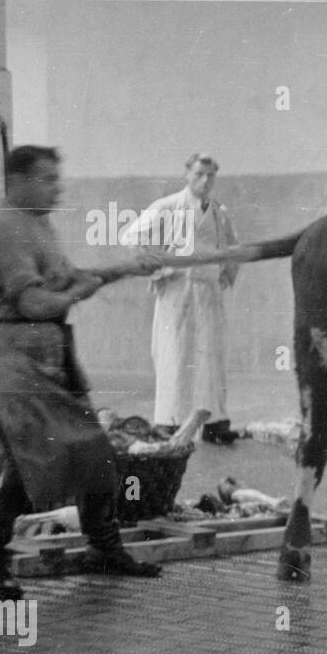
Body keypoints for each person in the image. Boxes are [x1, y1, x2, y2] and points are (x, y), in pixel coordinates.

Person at [0, 146, 165, 597]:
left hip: (43, 355)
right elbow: (35, 302)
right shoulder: (4, 229)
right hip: (4, 356)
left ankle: (103, 546)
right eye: (46, 179)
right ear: (17, 181)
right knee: (31, 457)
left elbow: (64, 280)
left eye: (57, 178)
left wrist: (122, 269)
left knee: (91, 447)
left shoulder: (36, 222)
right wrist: (81, 293)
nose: (57, 187)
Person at [119, 153, 242, 445]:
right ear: (187, 174)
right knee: (175, 356)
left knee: (210, 356)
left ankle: (214, 422)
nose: (205, 180)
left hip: (208, 293)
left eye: (211, 175)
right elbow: (131, 237)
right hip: (178, 291)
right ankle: (170, 421)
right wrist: (160, 267)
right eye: (199, 174)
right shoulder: (167, 207)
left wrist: (226, 271)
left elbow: (233, 245)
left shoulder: (219, 213)